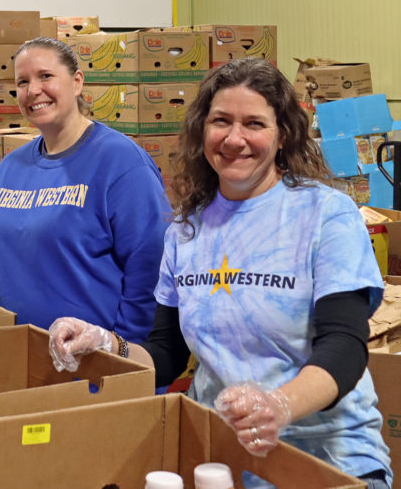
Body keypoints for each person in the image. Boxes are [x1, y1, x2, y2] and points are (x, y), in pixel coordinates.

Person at [49, 58, 391, 488]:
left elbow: (344, 346)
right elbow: (166, 354)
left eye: (254, 124)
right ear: (201, 131)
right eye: (221, 121)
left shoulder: (326, 215)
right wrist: (106, 344)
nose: (234, 139)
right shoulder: (186, 231)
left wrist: (278, 406)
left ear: (283, 134)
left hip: (327, 457)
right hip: (222, 461)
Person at [0, 37, 170, 338]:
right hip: (22, 353)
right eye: (22, 82)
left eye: (45, 76)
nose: (33, 90)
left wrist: (121, 351)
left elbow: (150, 271)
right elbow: (0, 252)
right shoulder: (11, 168)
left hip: (93, 366)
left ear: (76, 82)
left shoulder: (122, 164)